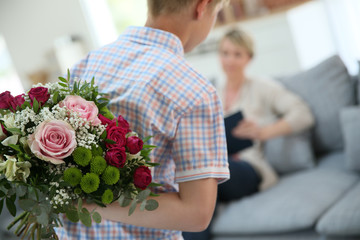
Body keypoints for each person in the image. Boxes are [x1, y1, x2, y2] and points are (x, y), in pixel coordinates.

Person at [55, 0, 230, 239]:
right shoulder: (194, 90)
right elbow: (196, 213)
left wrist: (81, 199)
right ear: (202, 7)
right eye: (217, 12)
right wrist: (95, 204)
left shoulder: (89, 63)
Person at [183, 28, 315, 240]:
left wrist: (264, 132)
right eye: (225, 53)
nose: (230, 60)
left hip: (248, 168)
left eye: (237, 54)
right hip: (215, 164)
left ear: (249, 58)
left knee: (204, 175)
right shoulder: (210, 91)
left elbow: (303, 113)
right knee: (197, 177)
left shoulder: (262, 87)